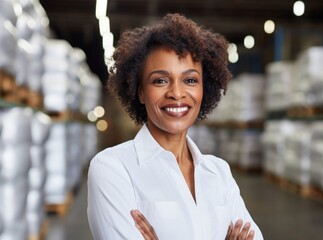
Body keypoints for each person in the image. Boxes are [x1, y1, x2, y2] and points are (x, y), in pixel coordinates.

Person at [87, 13, 263, 240]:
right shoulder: (112, 169)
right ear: (140, 91)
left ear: (204, 88)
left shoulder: (219, 173)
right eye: (160, 80)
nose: (177, 93)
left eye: (190, 80)